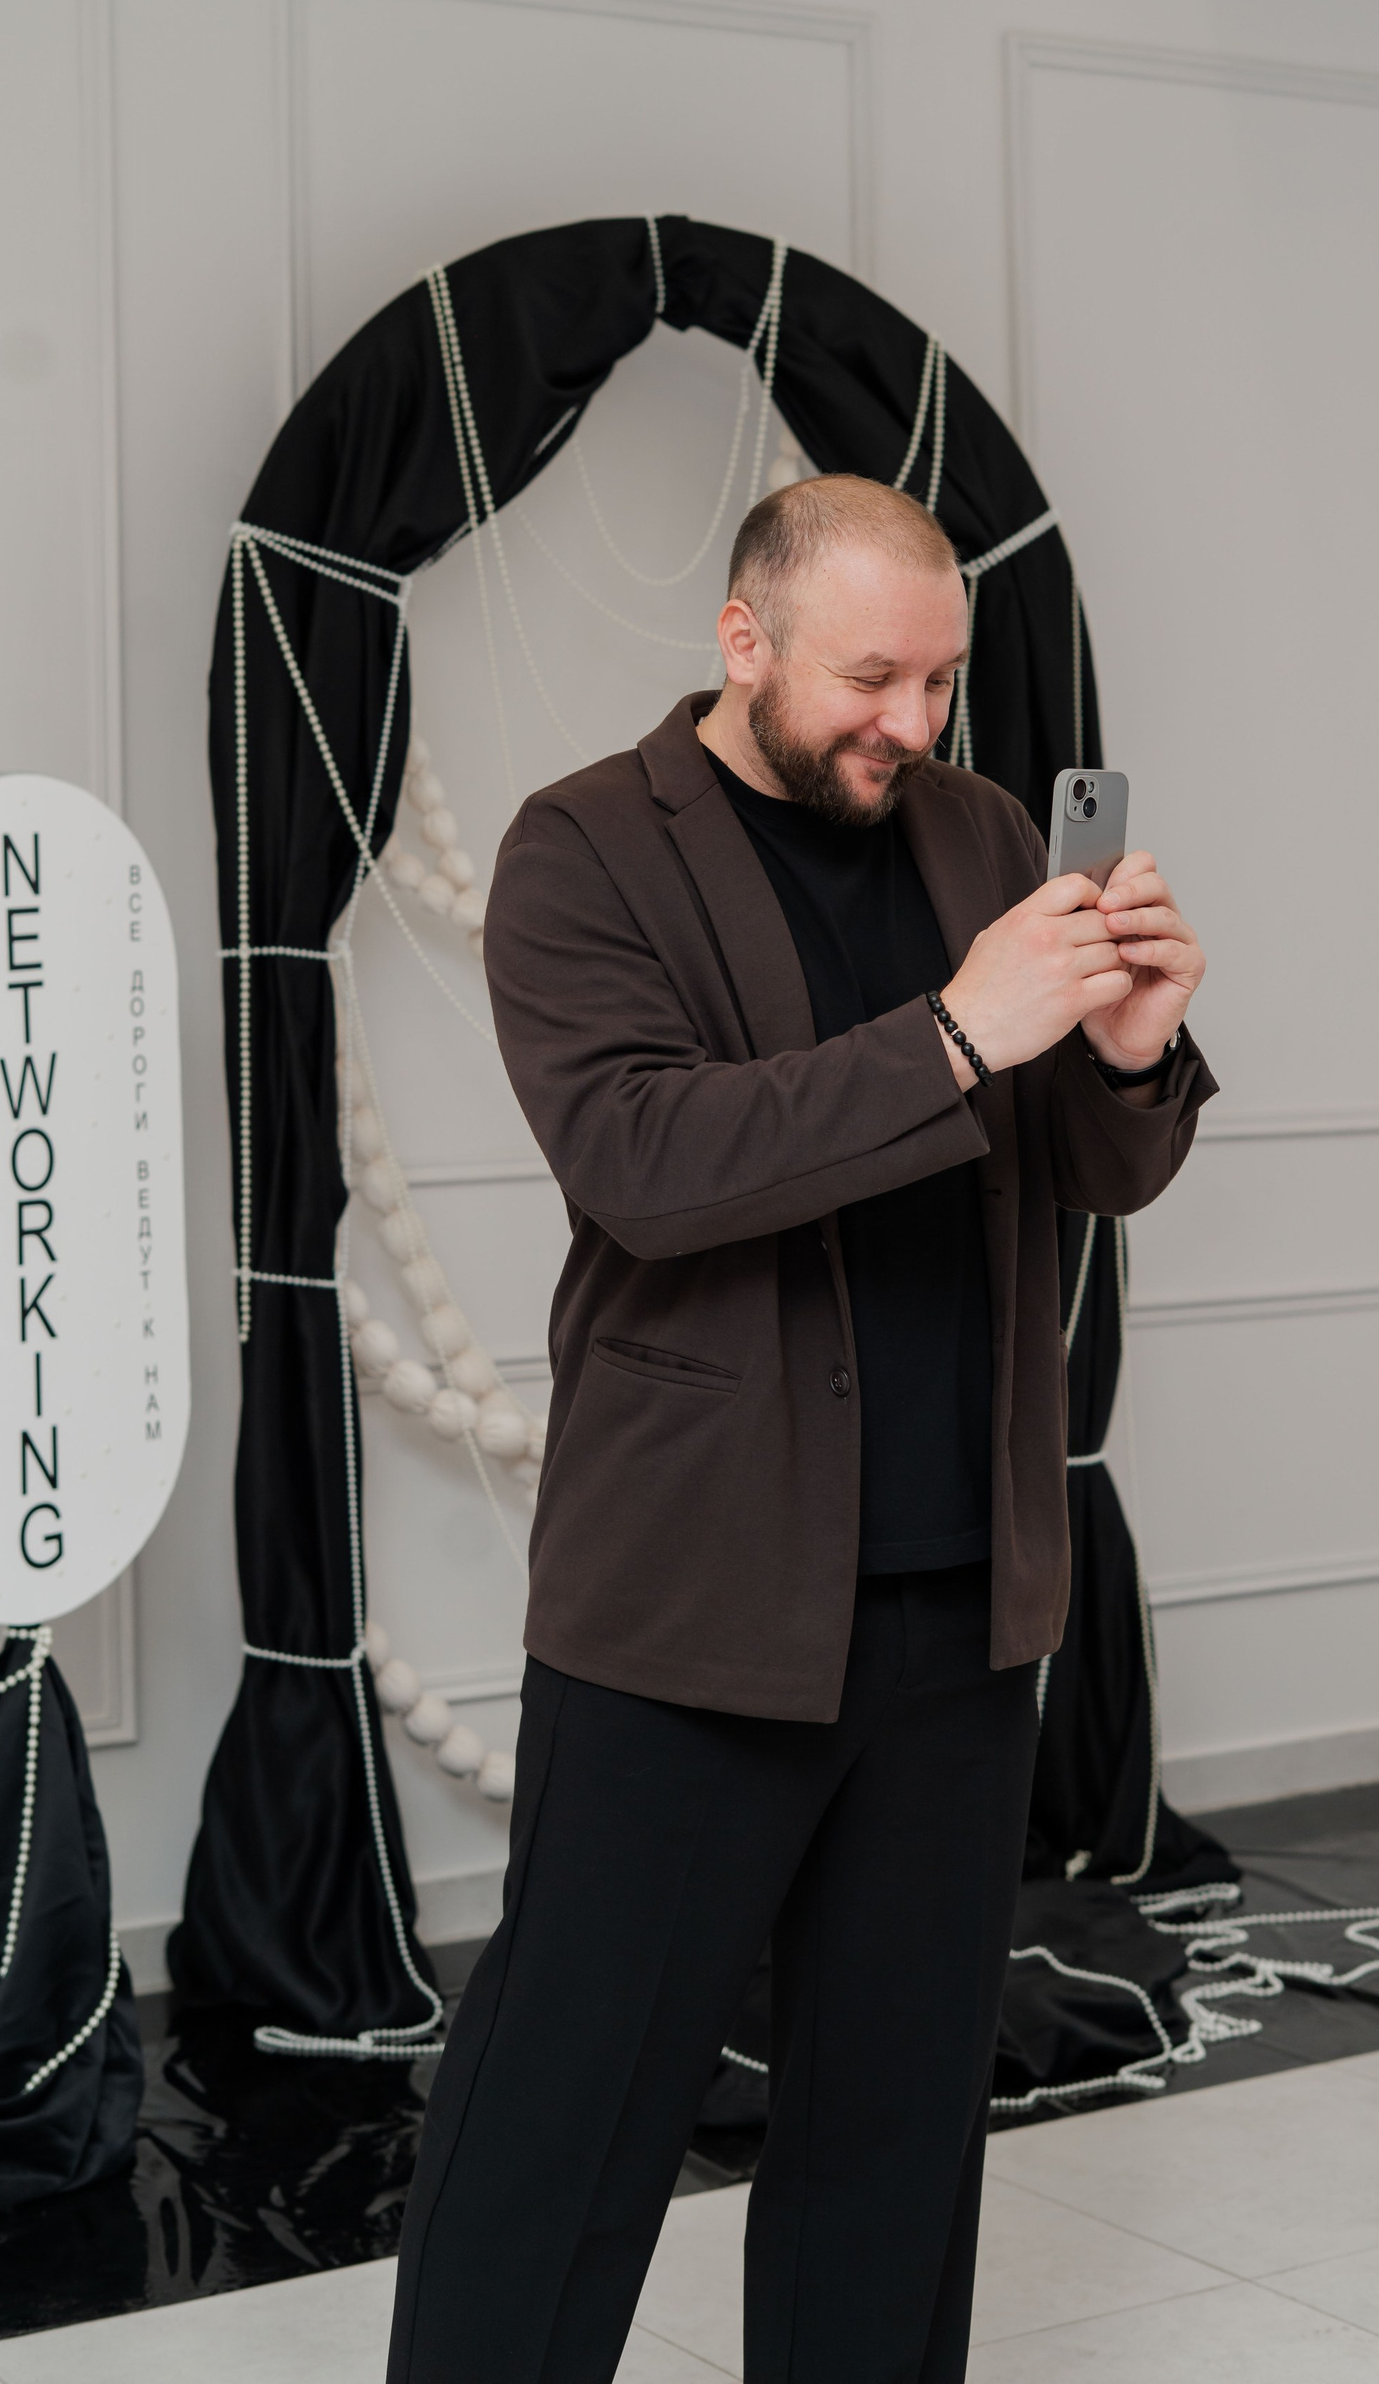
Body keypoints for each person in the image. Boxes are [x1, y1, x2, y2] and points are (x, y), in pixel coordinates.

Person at [386, 474, 1214, 2384]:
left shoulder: (982, 830)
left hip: (960, 1603)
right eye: (869, 680)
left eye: (940, 680)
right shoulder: (583, 846)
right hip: (695, 1603)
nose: (911, 723)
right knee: (562, 2123)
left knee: (895, 2146)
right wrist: (959, 1030)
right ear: (742, 640)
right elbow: (647, 1162)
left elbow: (1084, 1169)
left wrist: (1130, 1050)